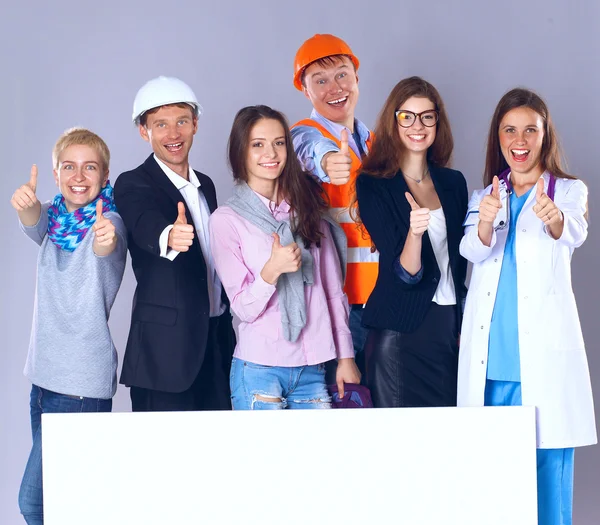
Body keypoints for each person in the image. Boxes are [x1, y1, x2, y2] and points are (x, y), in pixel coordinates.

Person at [457, 88, 596, 525]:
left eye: (530, 130)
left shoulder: (569, 192)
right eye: (510, 130)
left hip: (543, 366)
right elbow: (471, 251)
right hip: (491, 366)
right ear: (498, 137)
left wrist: (553, 217)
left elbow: (572, 231)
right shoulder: (486, 196)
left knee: (548, 482)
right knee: (493, 486)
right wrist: (485, 219)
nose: (520, 140)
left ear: (544, 135)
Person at [209, 105, 361, 410]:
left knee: (316, 458)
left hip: (313, 368)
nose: (271, 153)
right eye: (258, 144)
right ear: (241, 152)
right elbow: (242, 308)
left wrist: (346, 358)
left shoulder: (308, 211)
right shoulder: (226, 220)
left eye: (279, 143)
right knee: (264, 459)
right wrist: (270, 272)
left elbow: (333, 294)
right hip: (258, 369)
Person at [11, 128, 127, 525]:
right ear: (56, 175)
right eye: (69, 167)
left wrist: (104, 239)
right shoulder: (54, 218)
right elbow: (32, 220)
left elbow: (106, 246)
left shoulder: (108, 221)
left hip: (79, 387)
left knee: (36, 503)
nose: (79, 176)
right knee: (65, 500)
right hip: (43, 380)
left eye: (89, 167)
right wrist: (24, 204)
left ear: (105, 176)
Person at [114, 76, 235, 412]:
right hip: (164, 355)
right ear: (144, 131)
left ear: (195, 124)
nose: (173, 134)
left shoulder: (205, 186)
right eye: (160, 125)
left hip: (217, 343)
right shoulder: (133, 183)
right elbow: (143, 224)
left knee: (216, 454)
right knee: (162, 460)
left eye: (182, 121)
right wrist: (168, 235)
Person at [355, 77, 468, 408]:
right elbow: (404, 274)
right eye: (407, 116)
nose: (417, 126)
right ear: (394, 121)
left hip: (447, 330)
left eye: (427, 116)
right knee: (400, 450)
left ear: (437, 121)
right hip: (399, 335)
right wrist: (414, 234)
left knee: (445, 445)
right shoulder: (374, 185)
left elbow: (459, 263)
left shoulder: (453, 183)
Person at [291, 34, 376, 373]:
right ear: (305, 90)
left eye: (341, 74)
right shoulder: (303, 132)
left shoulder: (373, 141)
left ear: (356, 77)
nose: (334, 87)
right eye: (320, 80)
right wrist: (328, 161)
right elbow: (309, 149)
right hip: (337, 304)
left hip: (380, 298)